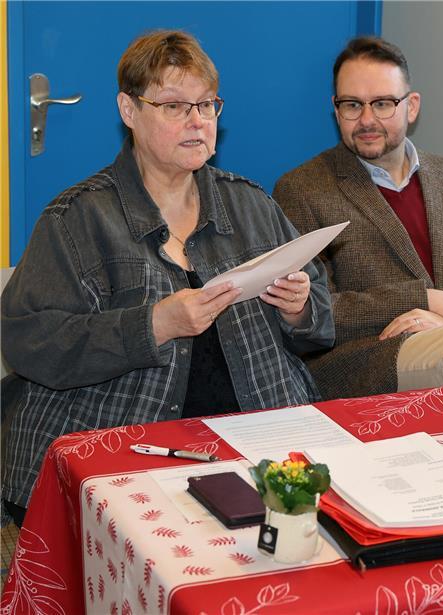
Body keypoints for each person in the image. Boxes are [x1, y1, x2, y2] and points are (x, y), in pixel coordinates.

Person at [0, 30, 333, 525]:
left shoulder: (251, 205)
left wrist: (300, 307)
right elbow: (30, 342)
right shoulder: (78, 218)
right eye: (175, 106)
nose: (197, 121)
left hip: (258, 437)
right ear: (129, 110)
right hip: (126, 443)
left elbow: (321, 319)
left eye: (207, 105)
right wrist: (153, 325)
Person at [274, 36, 443, 399]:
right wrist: (426, 300)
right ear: (336, 109)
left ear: (411, 107)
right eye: (352, 105)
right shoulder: (302, 189)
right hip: (367, 366)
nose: (367, 119)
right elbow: (313, 310)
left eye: (383, 103)